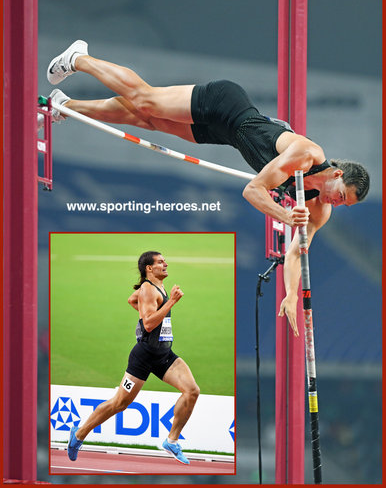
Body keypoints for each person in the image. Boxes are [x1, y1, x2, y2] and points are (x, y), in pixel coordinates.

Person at [45, 40, 370, 336]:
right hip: (225, 104)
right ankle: (79, 58)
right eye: (341, 195)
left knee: (145, 120)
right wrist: (286, 215)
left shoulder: (319, 209)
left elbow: (298, 251)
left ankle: (65, 105)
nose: (336, 203)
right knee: (146, 100)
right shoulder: (306, 155)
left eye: (345, 205)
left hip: (226, 135)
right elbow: (253, 191)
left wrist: (290, 293)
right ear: (336, 174)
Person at [67, 251, 200, 465]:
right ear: (149, 268)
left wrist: (154, 307)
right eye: (160, 262)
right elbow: (148, 324)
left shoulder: (154, 287)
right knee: (120, 403)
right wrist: (171, 302)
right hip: (144, 357)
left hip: (164, 354)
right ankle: (79, 434)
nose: (165, 263)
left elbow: (132, 299)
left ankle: (172, 441)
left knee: (192, 390)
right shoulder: (148, 289)